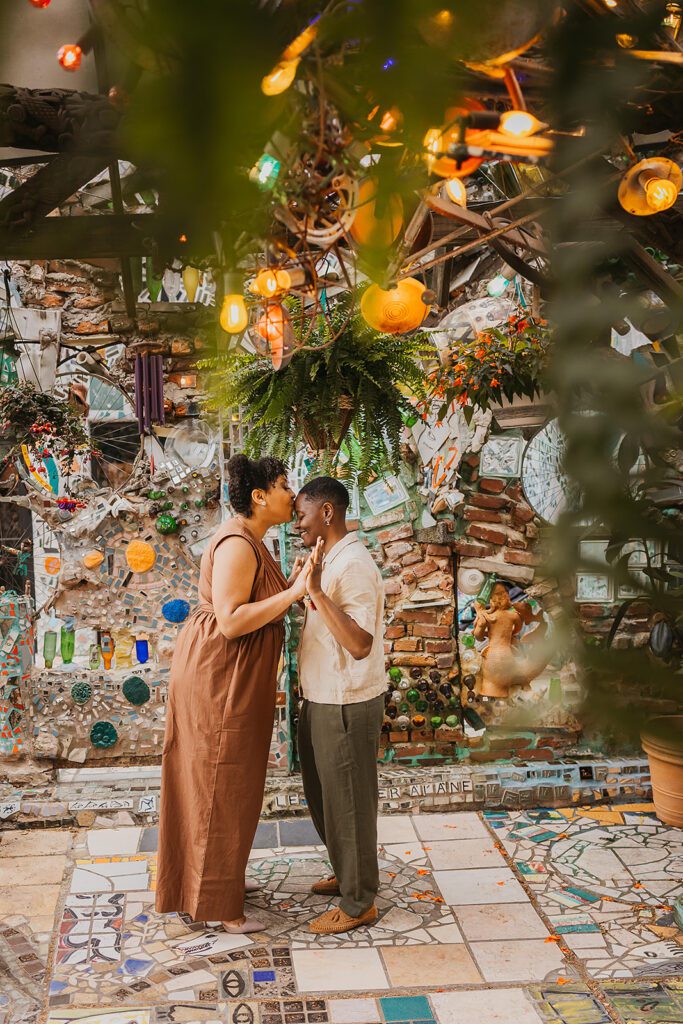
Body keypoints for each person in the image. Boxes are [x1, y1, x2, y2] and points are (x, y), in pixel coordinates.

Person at [155, 455, 310, 934]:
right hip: (221, 678)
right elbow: (231, 619)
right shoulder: (238, 544)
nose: (293, 494)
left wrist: (294, 578)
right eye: (285, 486)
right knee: (220, 783)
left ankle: (214, 881)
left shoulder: (254, 541)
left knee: (229, 785)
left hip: (234, 677)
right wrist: (295, 592)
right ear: (260, 496)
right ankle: (220, 906)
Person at [294, 476, 386, 935]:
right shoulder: (327, 558)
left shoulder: (353, 564)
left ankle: (358, 903)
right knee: (326, 798)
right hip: (321, 696)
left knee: (348, 803)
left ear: (327, 512)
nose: (297, 524)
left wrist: (315, 591)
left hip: (347, 701)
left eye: (302, 514)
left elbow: (360, 643)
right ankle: (350, 874)